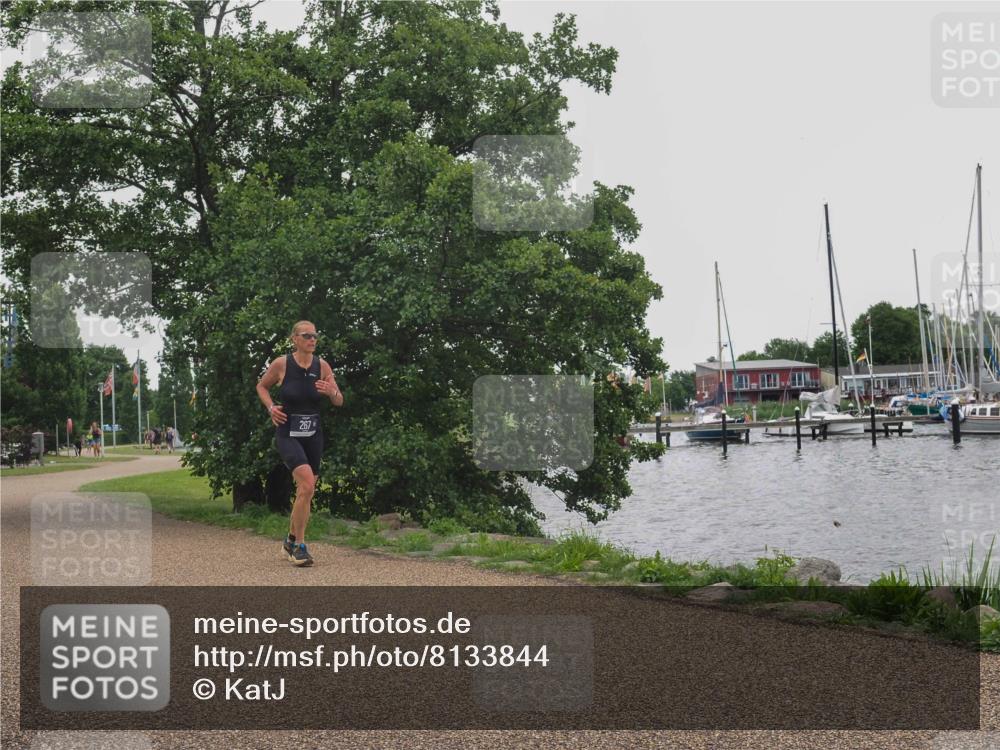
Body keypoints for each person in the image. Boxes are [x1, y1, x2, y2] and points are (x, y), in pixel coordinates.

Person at [256, 320, 344, 567]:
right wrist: (271, 407)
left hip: (313, 435)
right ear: (294, 339)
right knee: (306, 483)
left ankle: (290, 539)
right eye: (307, 335)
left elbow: (339, 400)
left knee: (306, 490)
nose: (312, 339)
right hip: (288, 433)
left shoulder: (322, 366)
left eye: (315, 335)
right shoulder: (282, 364)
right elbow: (261, 387)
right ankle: (300, 548)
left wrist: (331, 392)